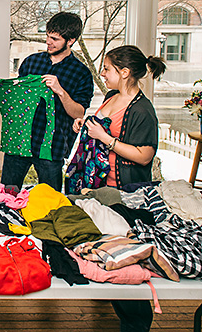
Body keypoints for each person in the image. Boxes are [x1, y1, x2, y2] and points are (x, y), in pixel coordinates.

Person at [73, 45, 166, 332]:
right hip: (98, 190)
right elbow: (100, 125)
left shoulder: (142, 110)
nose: (103, 73)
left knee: (126, 259)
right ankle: (114, 299)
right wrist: (85, 125)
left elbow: (144, 155)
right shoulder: (112, 96)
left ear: (124, 73)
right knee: (105, 252)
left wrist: (104, 138)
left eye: (107, 69)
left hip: (122, 194)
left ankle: (136, 323)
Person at [0, 11, 94, 192]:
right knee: (7, 196)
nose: (48, 42)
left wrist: (60, 91)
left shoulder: (81, 73)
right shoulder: (31, 62)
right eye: (47, 36)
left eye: (55, 39)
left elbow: (78, 113)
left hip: (53, 146)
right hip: (20, 142)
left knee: (50, 201)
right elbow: (19, 99)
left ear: (71, 40)